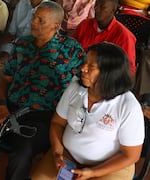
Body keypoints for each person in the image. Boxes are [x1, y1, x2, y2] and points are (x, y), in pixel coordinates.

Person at [0, 1, 84, 179]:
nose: (34, 22)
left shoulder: (71, 51)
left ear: (56, 26)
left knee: (21, 154)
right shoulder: (22, 44)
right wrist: (2, 104)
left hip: (41, 115)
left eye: (41, 20)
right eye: (34, 17)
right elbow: (6, 78)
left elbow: (81, 89)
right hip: (9, 106)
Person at [32, 42, 144, 180]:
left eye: (91, 66)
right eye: (85, 62)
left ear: (109, 74)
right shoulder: (76, 87)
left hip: (108, 167)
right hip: (67, 156)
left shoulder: (128, 106)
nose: (83, 68)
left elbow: (131, 155)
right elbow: (57, 123)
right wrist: (57, 153)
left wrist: (93, 173)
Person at [73, 0, 137, 73]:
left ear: (113, 10)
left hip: (106, 77)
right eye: (96, 5)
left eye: (102, 7)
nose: (97, 9)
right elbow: (71, 48)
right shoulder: (84, 24)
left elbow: (128, 69)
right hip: (79, 70)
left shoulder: (124, 36)